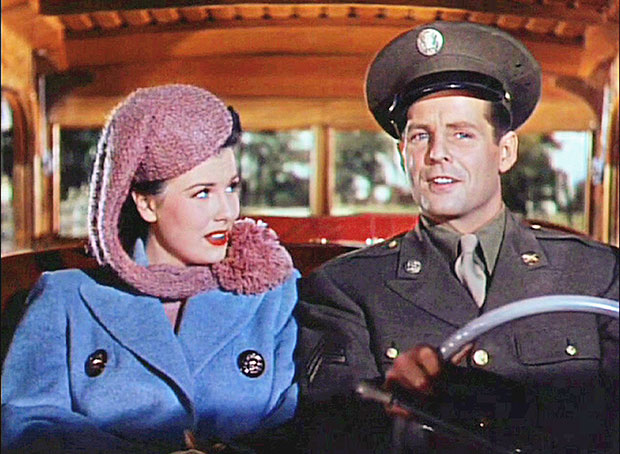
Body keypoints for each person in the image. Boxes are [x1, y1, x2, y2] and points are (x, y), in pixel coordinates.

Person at [294, 21, 619, 453]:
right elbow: (335, 431)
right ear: (403, 155)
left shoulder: (597, 274)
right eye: (420, 136)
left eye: (462, 134)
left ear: (505, 151)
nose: (437, 154)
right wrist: (397, 407)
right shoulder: (343, 289)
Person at [2, 84, 300, 454]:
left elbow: (300, 425)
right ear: (146, 204)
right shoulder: (66, 299)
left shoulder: (273, 294)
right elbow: (27, 424)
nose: (228, 211)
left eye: (231, 187)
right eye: (203, 193)